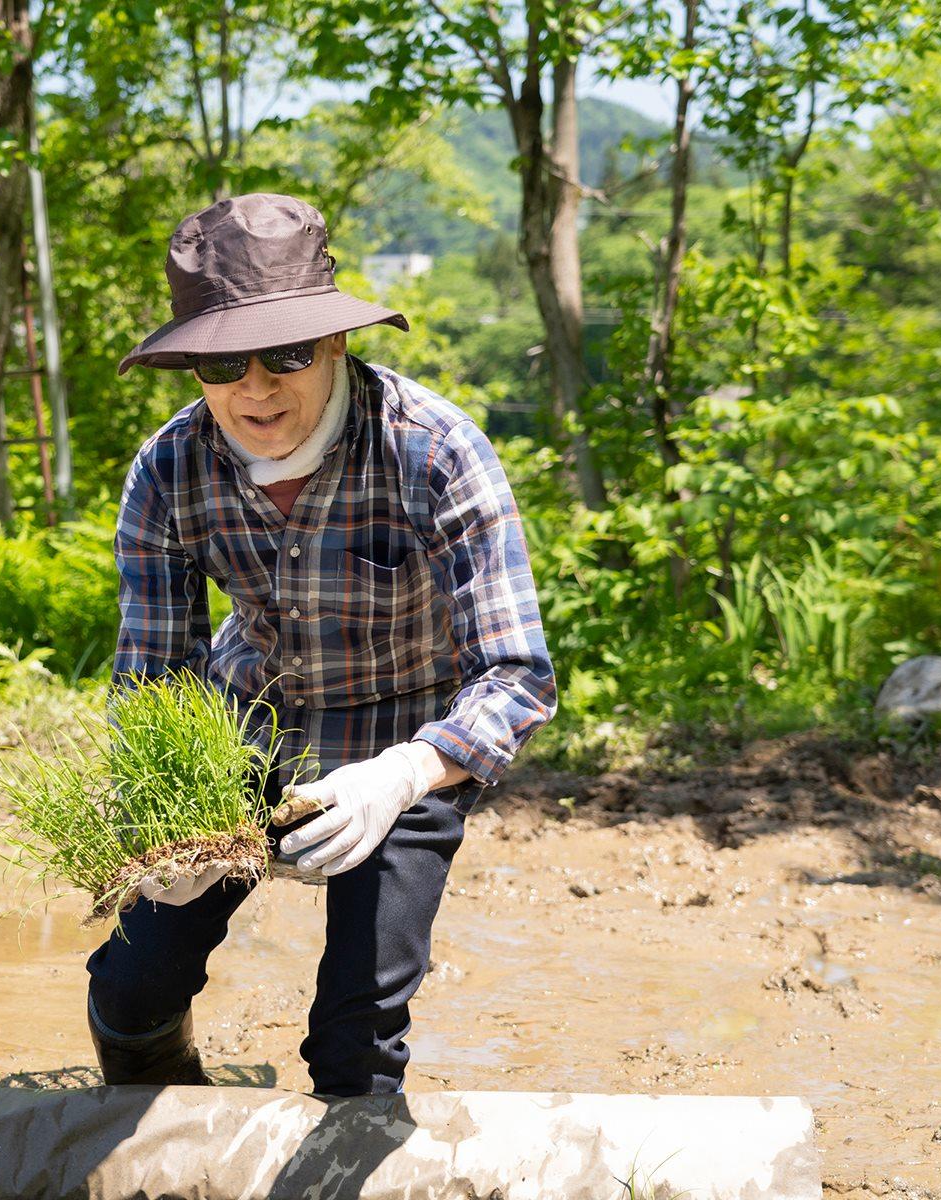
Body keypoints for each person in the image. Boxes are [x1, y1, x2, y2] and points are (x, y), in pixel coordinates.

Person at [87, 192, 556, 1097]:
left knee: (356, 1035)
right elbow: (155, 676)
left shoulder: (435, 450)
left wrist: (404, 775)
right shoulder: (170, 468)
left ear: (336, 344)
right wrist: (156, 817)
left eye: (289, 354)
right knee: (133, 986)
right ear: (194, 367)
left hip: (404, 749)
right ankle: (178, 1147)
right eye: (224, 362)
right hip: (243, 734)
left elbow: (517, 675)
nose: (256, 388)